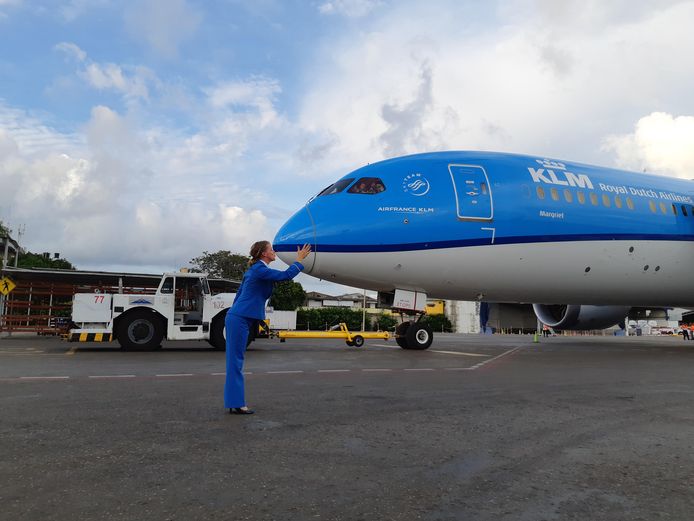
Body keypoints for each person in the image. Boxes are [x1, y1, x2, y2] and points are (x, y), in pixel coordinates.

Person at [224, 241, 311, 415]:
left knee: (235, 361)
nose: (274, 252)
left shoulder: (255, 269)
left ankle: (235, 402)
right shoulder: (259, 269)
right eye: (271, 249)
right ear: (264, 254)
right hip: (239, 318)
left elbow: (239, 294)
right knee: (235, 362)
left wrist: (236, 313)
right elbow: (286, 275)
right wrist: (299, 260)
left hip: (240, 317)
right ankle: (237, 404)